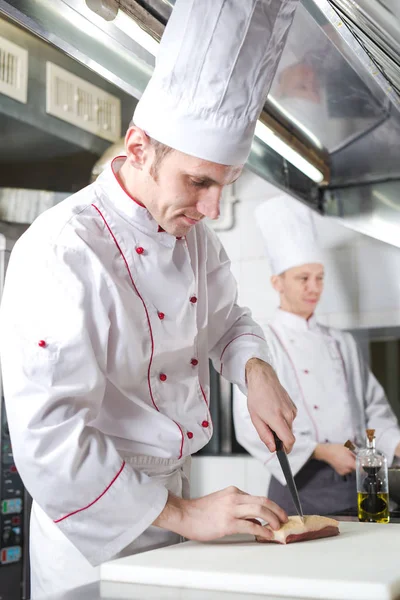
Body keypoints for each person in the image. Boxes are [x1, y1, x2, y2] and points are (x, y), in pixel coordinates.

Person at [0, 1, 301, 597]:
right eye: (199, 182)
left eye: (226, 184)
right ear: (138, 148)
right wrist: (187, 515)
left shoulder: (194, 238)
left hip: (179, 512)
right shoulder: (63, 250)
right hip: (92, 534)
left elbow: (226, 322)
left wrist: (254, 368)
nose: (212, 209)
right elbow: (52, 439)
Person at [234, 195, 400, 516]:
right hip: (299, 485)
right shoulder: (260, 343)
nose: (314, 288)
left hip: (354, 482)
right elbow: (248, 422)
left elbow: (374, 410)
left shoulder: (342, 343)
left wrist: (394, 444)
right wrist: (323, 452)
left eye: (319, 277)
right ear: (277, 282)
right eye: (303, 278)